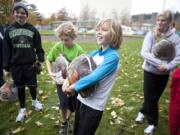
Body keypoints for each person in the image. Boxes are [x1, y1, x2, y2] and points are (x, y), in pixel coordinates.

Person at [63, 18, 122, 135]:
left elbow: (95, 77)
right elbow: (76, 69)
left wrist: (74, 87)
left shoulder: (113, 57)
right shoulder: (93, 53)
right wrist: (67, 81)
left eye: (104, 30)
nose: (99, 32)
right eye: (98, 29)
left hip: (94, 107)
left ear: (114, 35)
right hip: (81, 100)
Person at [135, 10, 180, 135]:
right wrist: (160, 64)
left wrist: (168, 66)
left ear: (169, 22)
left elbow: (178, 56)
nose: (160, 23)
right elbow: (144, 52)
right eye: (158, 20)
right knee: (151, 97)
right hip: (149, 71)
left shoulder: (175, 38)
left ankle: (143, 111)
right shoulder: (151, 34)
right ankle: (152, 123)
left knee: (154, 98)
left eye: (163, 20)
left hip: (163, 74)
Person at [2, 2, 45, 122]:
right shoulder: (9, 30)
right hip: (16, 66)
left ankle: (35, 101)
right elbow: (6, 50)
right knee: (20, 88)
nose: (20, 15)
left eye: (23, 13)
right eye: (17, 12)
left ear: (26, 15)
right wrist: (6, 66)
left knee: (32, 86)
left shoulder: (33, 30)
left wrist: (40, 60)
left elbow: (39, 47)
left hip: (30, 65)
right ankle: (22, 108)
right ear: (14, 13)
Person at [46, 22, 84, 135]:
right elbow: (48, 59)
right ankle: (63, 124)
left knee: (72, 106)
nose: (64, 42)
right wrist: (49, 72)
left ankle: (67, 119)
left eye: (66, 39)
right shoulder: (58, 47)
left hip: (73, 83)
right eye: (62, 39)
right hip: (60, 82)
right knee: (63, 103)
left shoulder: (79, 50)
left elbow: (82, 69)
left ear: (73, 37)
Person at [169, 67, 180, 135]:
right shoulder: (177, 73)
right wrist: (173, 103)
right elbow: (173, 88)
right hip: (176, 106)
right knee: (173, 125)